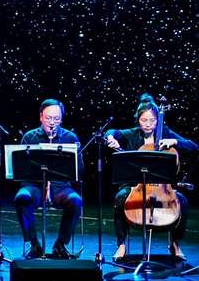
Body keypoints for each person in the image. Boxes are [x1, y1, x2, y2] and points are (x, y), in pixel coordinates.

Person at [105, 93, 197, 261]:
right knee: (120, 198)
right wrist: (110, 138)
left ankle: (175, 243)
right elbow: (112, 132)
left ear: (158, 120)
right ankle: (122, 245)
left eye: (152, 121)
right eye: (144, 120)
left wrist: (175, 142)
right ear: (138, 120)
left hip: (163, 187)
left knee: (183, 202)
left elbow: (193, 146)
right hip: (136, 185)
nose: (148, 124)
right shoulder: (133, 134)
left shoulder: (165, 132)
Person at [14, 98, 83, 259]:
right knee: (21, 197)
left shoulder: (70, 137)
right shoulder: (30, 137)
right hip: (35, 186)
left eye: (56, 119)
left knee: (75, 201)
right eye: (48, 118)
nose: (52, 122)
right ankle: (34, 244)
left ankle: (60, 244)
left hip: (60, 187)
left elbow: (80, 170)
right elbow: (21, 169)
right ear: (41, 117)